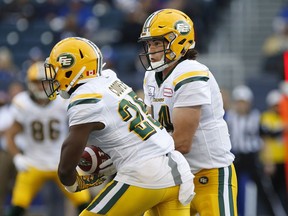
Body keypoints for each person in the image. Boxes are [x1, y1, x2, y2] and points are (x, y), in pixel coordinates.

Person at [41, 36, 195, 216]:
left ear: (72, 69)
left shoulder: (86, 99)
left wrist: (72, 183)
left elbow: (67, 164)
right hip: (176, 169)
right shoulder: (108, 78)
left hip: (144, 173)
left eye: (57, 69)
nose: (53, 76)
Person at [137, 8, 237, 215]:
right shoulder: (151, 76)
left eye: (157, 42)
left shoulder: (191, 72)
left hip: (208, 175)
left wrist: (135, 155)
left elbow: (182, 142)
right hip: (171, 176)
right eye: (149, 43)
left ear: (179, 41)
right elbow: (148, 127)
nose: (151, 49)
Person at [5, 61, 91, 216]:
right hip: (33, 162)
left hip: (63, 161)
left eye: (45, 82)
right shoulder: (22, 103)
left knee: (84, 203)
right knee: (17, 206)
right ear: (29, 83)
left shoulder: (63, 100)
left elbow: (80, 129)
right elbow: (10, 134)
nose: (41, 87)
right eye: (37, 83)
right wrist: (17, 157)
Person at [260, 89, 288, 214]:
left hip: (284, 159)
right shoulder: (267, 117)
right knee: (273, 192)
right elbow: (267, 135)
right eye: (276, 105)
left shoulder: (284, 116)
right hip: (273, 161)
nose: (278, 107)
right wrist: (268, 161)